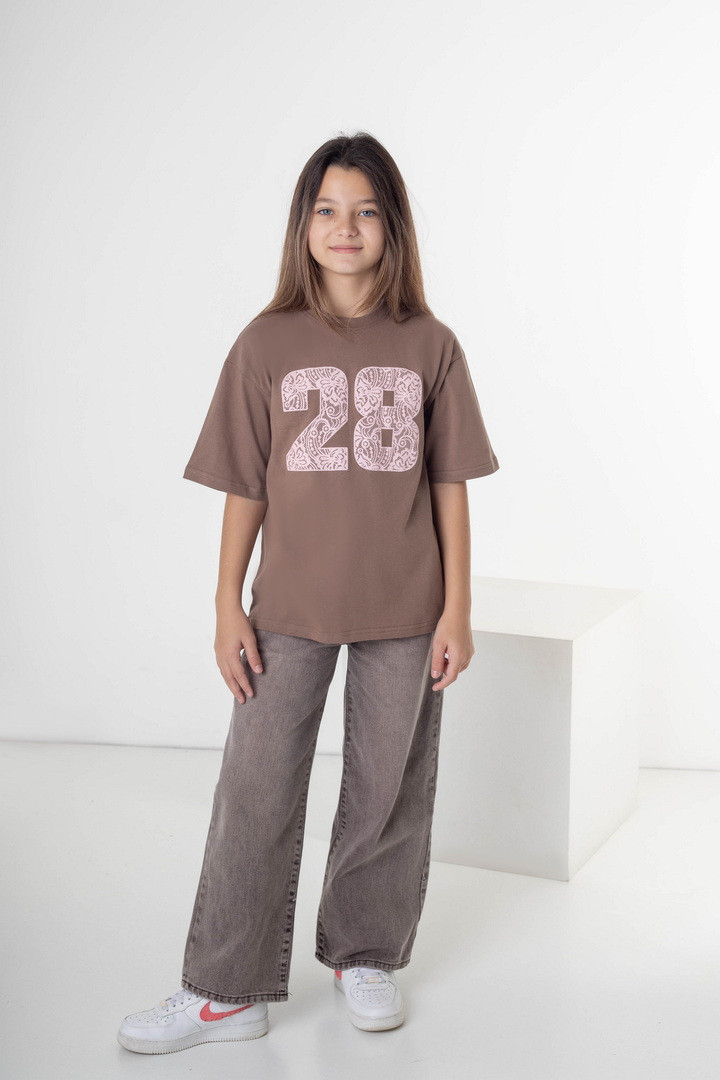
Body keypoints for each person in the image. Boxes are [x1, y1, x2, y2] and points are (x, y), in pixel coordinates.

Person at [117, 131, 500, 1055]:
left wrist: (457, 607)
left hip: (406, 612)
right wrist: (226, 604)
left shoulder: (432, 345)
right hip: (286, 610)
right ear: (303, 225)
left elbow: (449, 484)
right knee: (254, 790)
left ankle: (365, 954)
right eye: (327, 209)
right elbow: (245, 485)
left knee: (387, 790)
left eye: (366, 211)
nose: (346, 227)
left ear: (392, 226)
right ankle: (225, 989)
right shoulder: (265, 343)